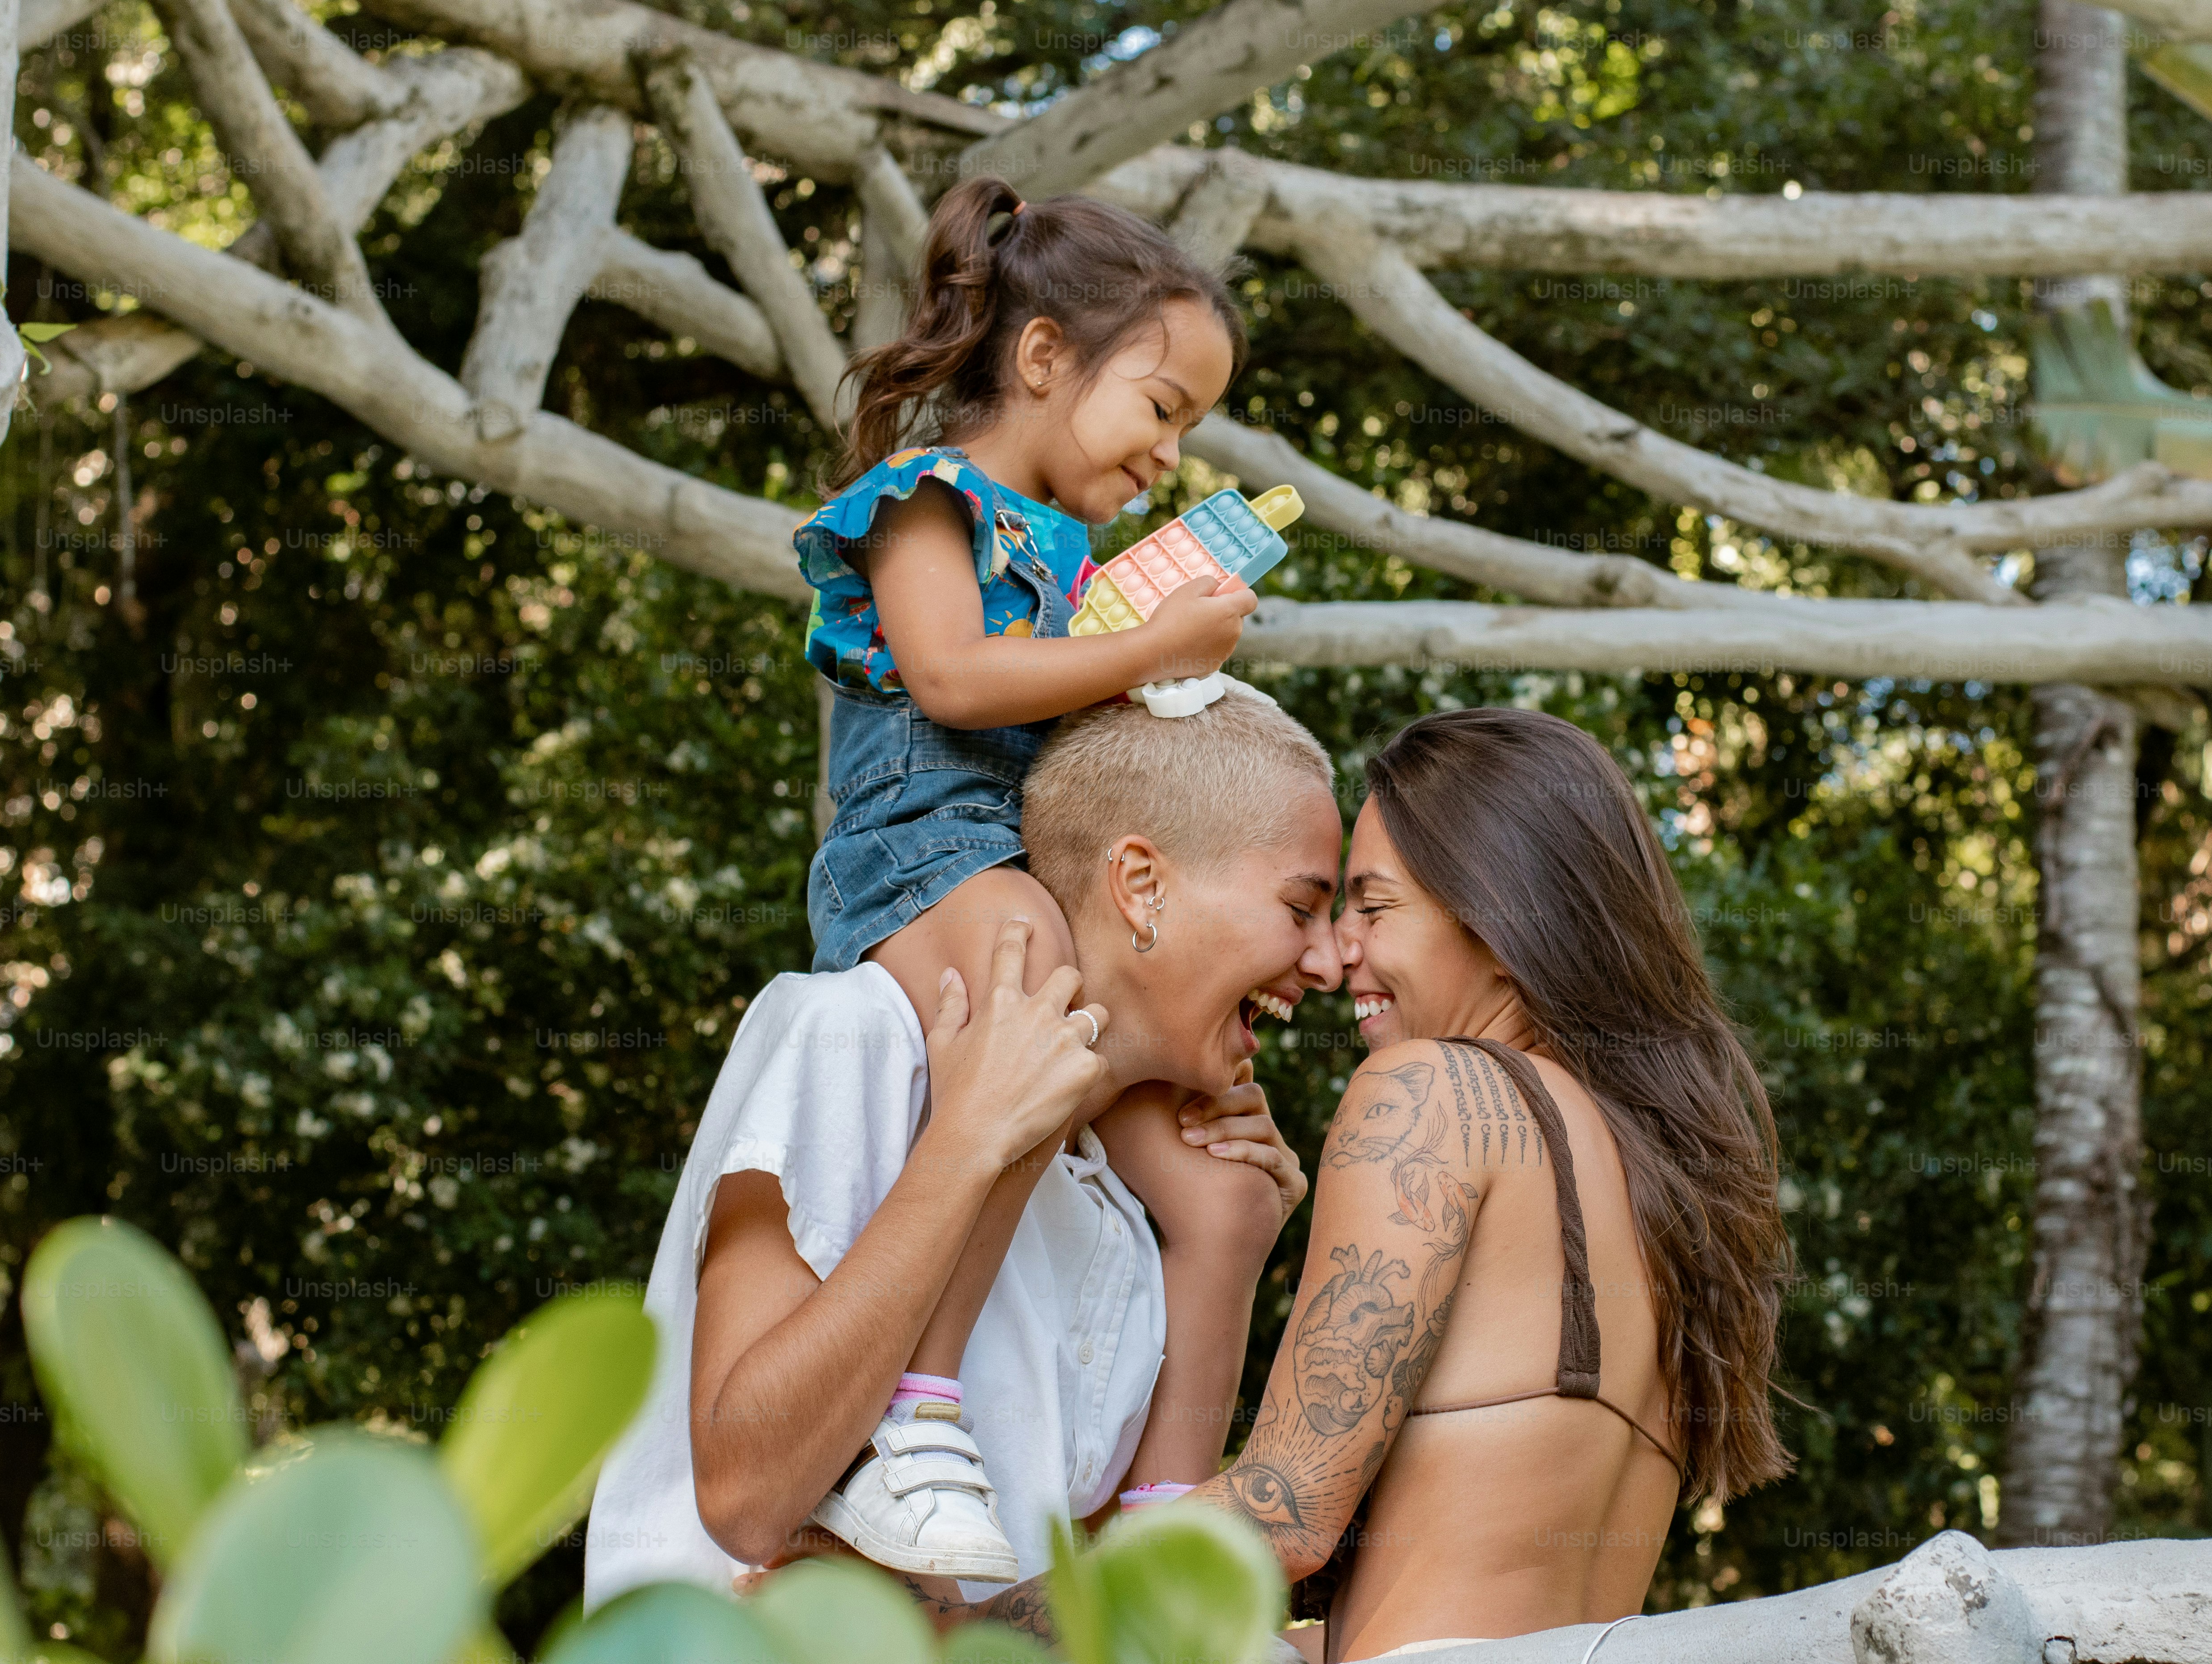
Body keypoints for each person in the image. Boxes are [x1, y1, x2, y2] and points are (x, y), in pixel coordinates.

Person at [938, 707, 1797, 1659]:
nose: (1337, 949)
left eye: (1374, 908)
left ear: (1504, 920)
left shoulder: (1435, 1092)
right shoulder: (1659, 1189)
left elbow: (1284, 1512)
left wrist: (944, 1638)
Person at [584, 686, 1345, 1612]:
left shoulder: (1118, 1212)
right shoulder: (857, 1038)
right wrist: (967, 1144)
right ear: (1142, 883)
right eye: (1303, 907)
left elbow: (1101, 1596)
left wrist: (1229, 1247)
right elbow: (746, 1491)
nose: (1329, 962)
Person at [791, 171, 1282, 1580]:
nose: (1170, 452)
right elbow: (951, 676)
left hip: (1022, 859)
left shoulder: (1074, 561)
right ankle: (911, 1423)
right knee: (1048, 987)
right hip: (920, 854)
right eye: (1163, 406)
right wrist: (1145, 655)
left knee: (1205, 1158)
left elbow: (1064, 713)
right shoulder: (923, 504)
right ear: (1047, 357)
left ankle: (1157, 1510)